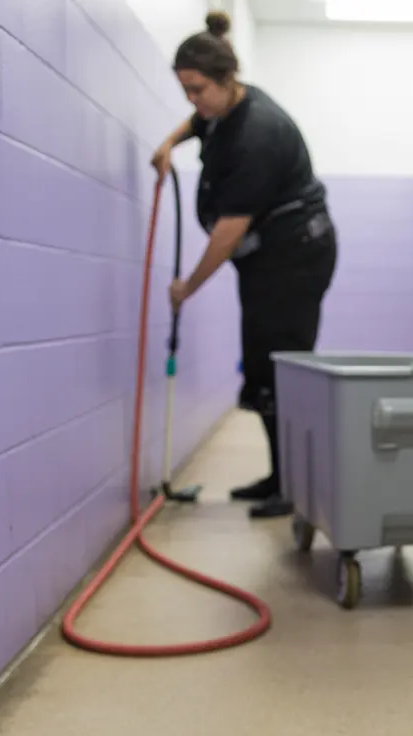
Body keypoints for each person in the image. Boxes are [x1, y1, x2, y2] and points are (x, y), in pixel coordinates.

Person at [152, 10, 337, 519]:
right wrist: (171, 142)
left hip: (295, 257)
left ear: (226, 81)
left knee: (284, 369)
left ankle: (295, 487)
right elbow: (198, 120)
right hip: (267, 260)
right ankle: (281, 477)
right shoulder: (223, 107)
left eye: (196, 89)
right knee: (262, 367)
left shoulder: (259, 134)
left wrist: (187, 287)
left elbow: (229, 231)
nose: (191, 100)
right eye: (184, 89)